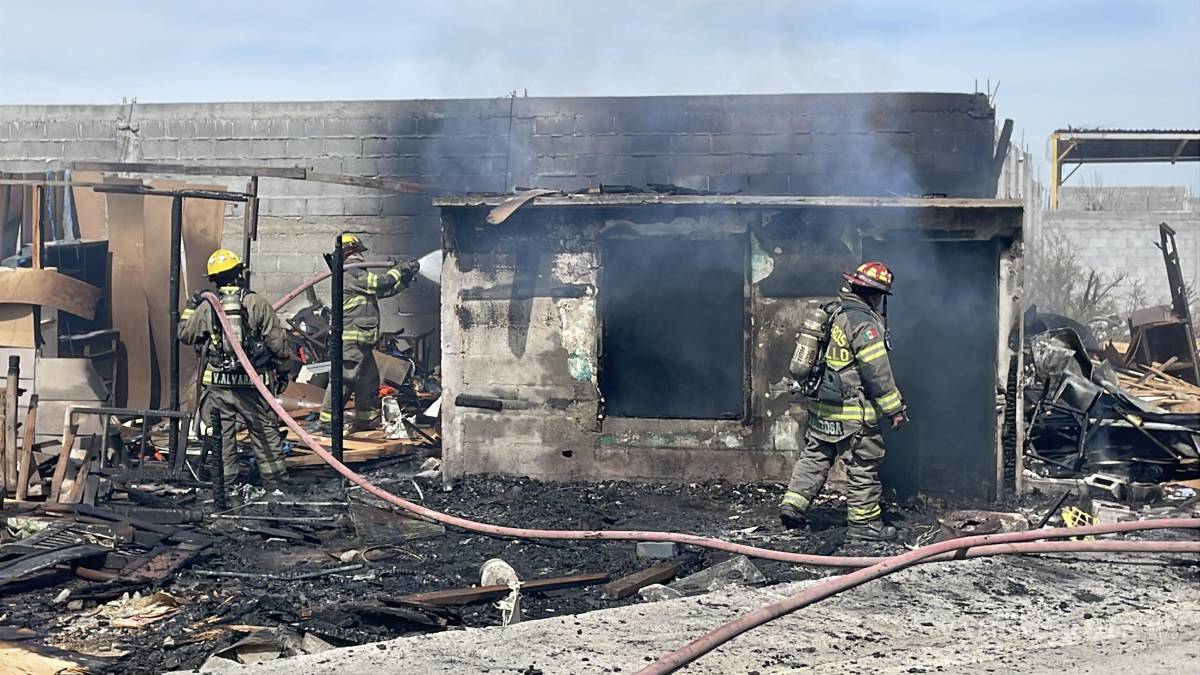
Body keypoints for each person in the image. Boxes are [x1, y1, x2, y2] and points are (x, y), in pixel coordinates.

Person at [780, 261, 907, 542]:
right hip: (853, 414)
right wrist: (894, 409)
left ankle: (793, 506)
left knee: (815, 457)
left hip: (822, 410)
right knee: (863, 465)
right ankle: (864, 526)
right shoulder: (864, 323)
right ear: (876, 295)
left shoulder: (830, 313)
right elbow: (878, 373)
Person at [179, 248, 292, 493]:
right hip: (252, 388)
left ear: (215, 280)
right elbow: (278, 345)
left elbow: (184, 333)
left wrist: (191, 305)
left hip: (217, 389)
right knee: (264, 435)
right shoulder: (256, 303)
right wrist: (284, 373)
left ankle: (225, 487)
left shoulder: (207, 307)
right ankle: (276, 487)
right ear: (239, 275)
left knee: (222, 439)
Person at [318, 234, 419, 433]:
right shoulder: (349, 272)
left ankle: (365, 419)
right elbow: (380, 282)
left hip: (362, 341)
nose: (360, 256)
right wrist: (400, 269)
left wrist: (404, 279)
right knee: (345, 380)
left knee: (368, 379)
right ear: (350, 251)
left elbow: (384, 290)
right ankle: (329, 422)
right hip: (350, 341)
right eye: (357, 252)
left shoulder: (357, 276)